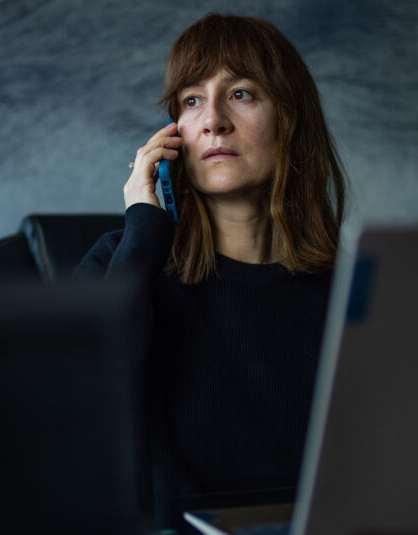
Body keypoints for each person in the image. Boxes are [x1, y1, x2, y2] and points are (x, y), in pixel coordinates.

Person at [74, 13, 347, 525]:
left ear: (289, 119)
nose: (213, 119)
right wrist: (142, 228)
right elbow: (77, 415)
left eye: (241, 93)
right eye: (192, 99)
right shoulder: (123, 262)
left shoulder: (347, 288)